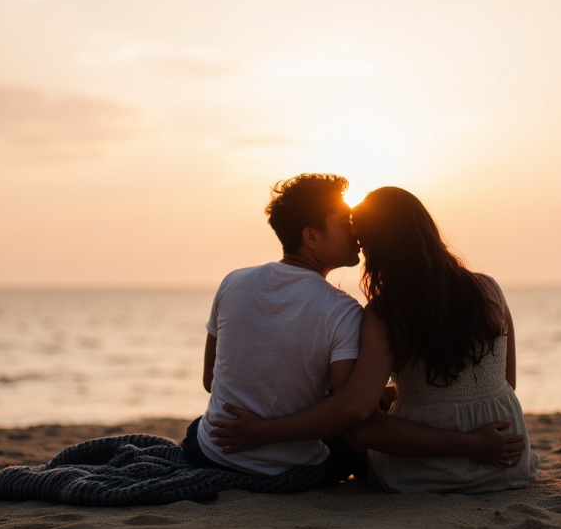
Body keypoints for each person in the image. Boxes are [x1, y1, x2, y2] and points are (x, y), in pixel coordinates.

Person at [182, 174, 524, 487]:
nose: (355, 235)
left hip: (213, 449)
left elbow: (212, 381)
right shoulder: (347, 310)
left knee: (203, 426)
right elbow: (507, 384)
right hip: (509, 455)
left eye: (357, 227)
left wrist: (261, 428)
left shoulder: (233, 282)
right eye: (344, 223)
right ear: (311, 236)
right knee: (345, 416)